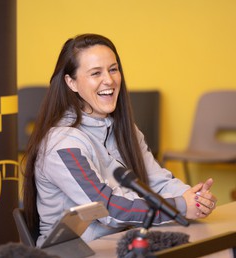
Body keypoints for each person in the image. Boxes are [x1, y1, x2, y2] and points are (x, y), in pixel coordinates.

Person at [22, 33, 218, 245]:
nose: (109, 80)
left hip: (121, 241)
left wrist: (195, 199)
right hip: (74, 251)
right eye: (96, 73)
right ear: (71, 82)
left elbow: (156, 180)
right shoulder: (62, 145)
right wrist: (180, 206)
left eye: (113, 69)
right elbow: (106, 208)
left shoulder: (125, 129)